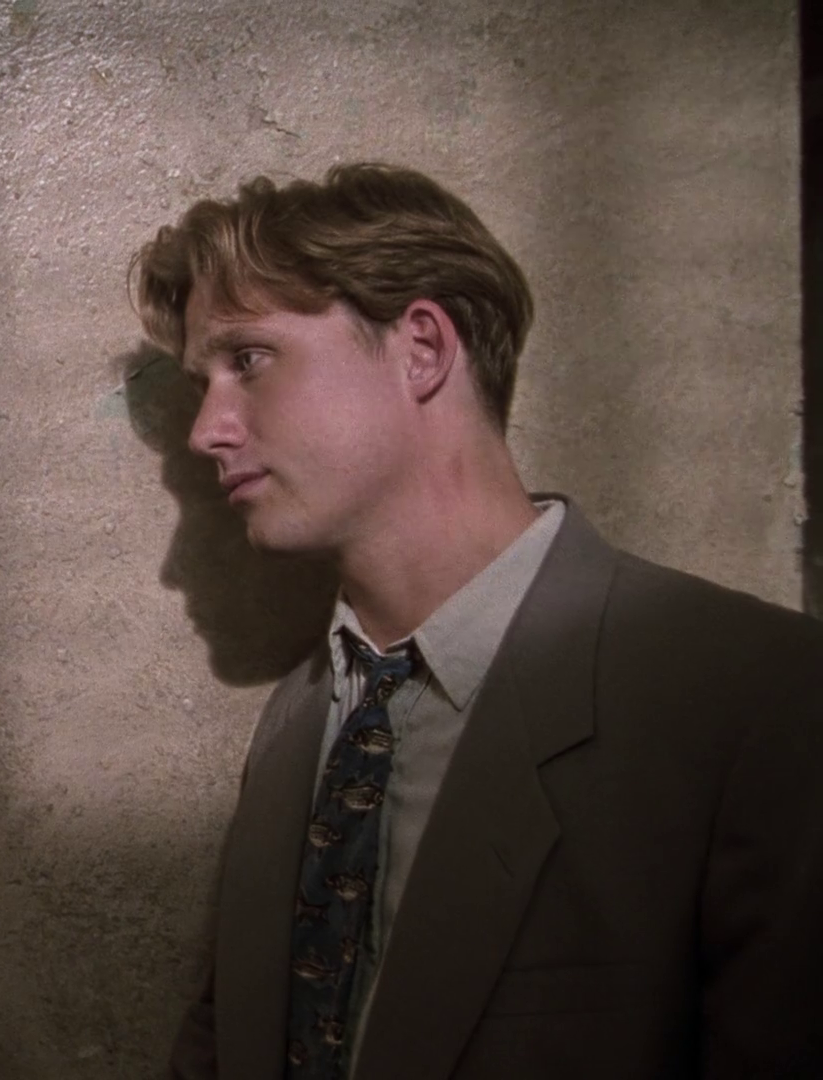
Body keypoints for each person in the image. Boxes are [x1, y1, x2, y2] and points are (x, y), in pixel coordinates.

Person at [132, 163, 823, 1079]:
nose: (207, 429)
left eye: (249, 360)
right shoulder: (300, 719)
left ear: (421, 349)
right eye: (202, 385)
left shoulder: (758, 699)